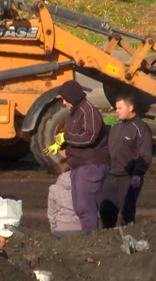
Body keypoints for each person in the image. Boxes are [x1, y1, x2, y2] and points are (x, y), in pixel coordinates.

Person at [43, 80, 109, 231]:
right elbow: (75, 136)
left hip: (91, 165)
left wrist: (66, 138)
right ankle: (87, 240)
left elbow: (89, 136)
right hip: (79, 166)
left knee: (86, 208)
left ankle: (90, 242)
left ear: (72, 96)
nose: (64, 102)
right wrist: (61, 144)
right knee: (80, 208)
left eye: (65, 98)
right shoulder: (74, 113)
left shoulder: (89, 112)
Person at [101, 93, 152, 228]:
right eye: (116, 108)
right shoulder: (115, 127)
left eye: (120, 108)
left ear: (130, 108)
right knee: (106, 212)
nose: (116, 111)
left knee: (127, 214)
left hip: (128, 179)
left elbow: (145, 155)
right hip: (110, 177)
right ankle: (108, 242)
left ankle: (129, 241)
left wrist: (137, 175)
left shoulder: (141, 129)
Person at [47, 159, 82, 237]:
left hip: (61, 228)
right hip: (79, 227)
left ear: (59, 172)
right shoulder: (83, 187)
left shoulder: (54, 189)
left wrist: (53, 229)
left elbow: (51, 213)